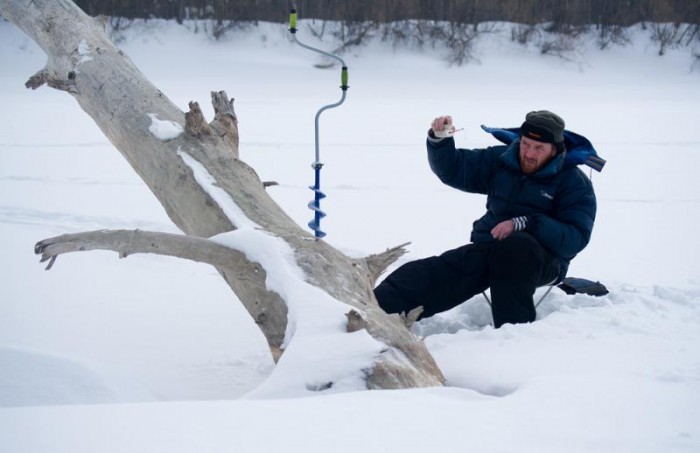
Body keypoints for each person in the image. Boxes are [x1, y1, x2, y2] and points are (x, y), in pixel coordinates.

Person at [374, 110, 597, 328]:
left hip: (545, 261)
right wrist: (439, 141)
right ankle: (374, 309)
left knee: (516, 248)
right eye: (526, 144)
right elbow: (455, 169)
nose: (529, 153)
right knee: (436, 272)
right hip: (491, 247)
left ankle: (514, 338)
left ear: (555, 149)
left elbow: (575, 238)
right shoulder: (503, 159)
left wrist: (528, 223)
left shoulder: (574, 183)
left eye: (539, 148)